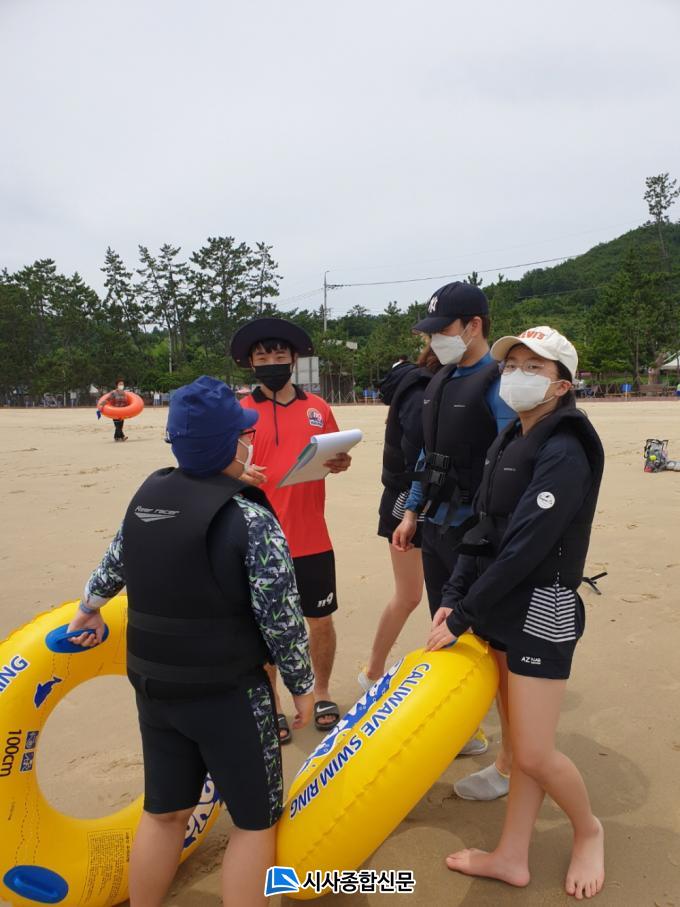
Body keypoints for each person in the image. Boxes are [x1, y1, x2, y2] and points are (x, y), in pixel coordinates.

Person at [67, 375, 314, 907]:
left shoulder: (148, 497)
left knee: (165, 813)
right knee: (254, 823)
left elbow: (114, 563)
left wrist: (88, 608)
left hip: (155, 686)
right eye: (243, 434)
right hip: (227, 692)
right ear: (231, 444)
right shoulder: (251, 517)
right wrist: (302, 688)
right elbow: (281, 618)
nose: (249, 441)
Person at [426, 326, 605, 900]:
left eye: (535, 368)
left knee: (532, 751)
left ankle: (588, 830)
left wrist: (461, 616)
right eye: (512, 364)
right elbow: (482, 527)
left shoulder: (565, 450)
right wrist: (453, 595)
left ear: (562, 386)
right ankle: (510, 854)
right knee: (524, 740)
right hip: (500, 603)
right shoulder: (510, 438)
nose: (517, 375)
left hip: (542, 607)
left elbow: (527, 546)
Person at [392, 281, 515, 760]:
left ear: (474, 326)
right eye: (430, 332)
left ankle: (510, 756)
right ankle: (464, 726)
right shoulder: (440, 380)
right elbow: (428, 455)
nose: (433, 341)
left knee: (491, 639)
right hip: (437, 526)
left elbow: (511, 459)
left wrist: (492, 532)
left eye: (442, 330)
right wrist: (411, 511)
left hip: (477, 533)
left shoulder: (498, 385)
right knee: (443, 627)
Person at [230, 318, 351, 743]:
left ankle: (321, 692)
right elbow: (224, 466)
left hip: (311, 536)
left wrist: (341, 462)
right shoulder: (239, 412)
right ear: (251, 363)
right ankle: (274, 703)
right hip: (256, 541)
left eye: (280, 355)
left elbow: (335, 455)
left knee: (320, 620)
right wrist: (239, 474)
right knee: (262, 628)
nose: (272, 363)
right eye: (262, 357)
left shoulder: (318, 407)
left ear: (294, 359)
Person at [358, 344, 439, 690]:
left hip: (410, 499)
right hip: (408, 501)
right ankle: (373, 671)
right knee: (414, 595)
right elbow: (421, 453)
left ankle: (373, 671)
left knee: (414, 595)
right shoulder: (423, 391)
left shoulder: (416, 386)